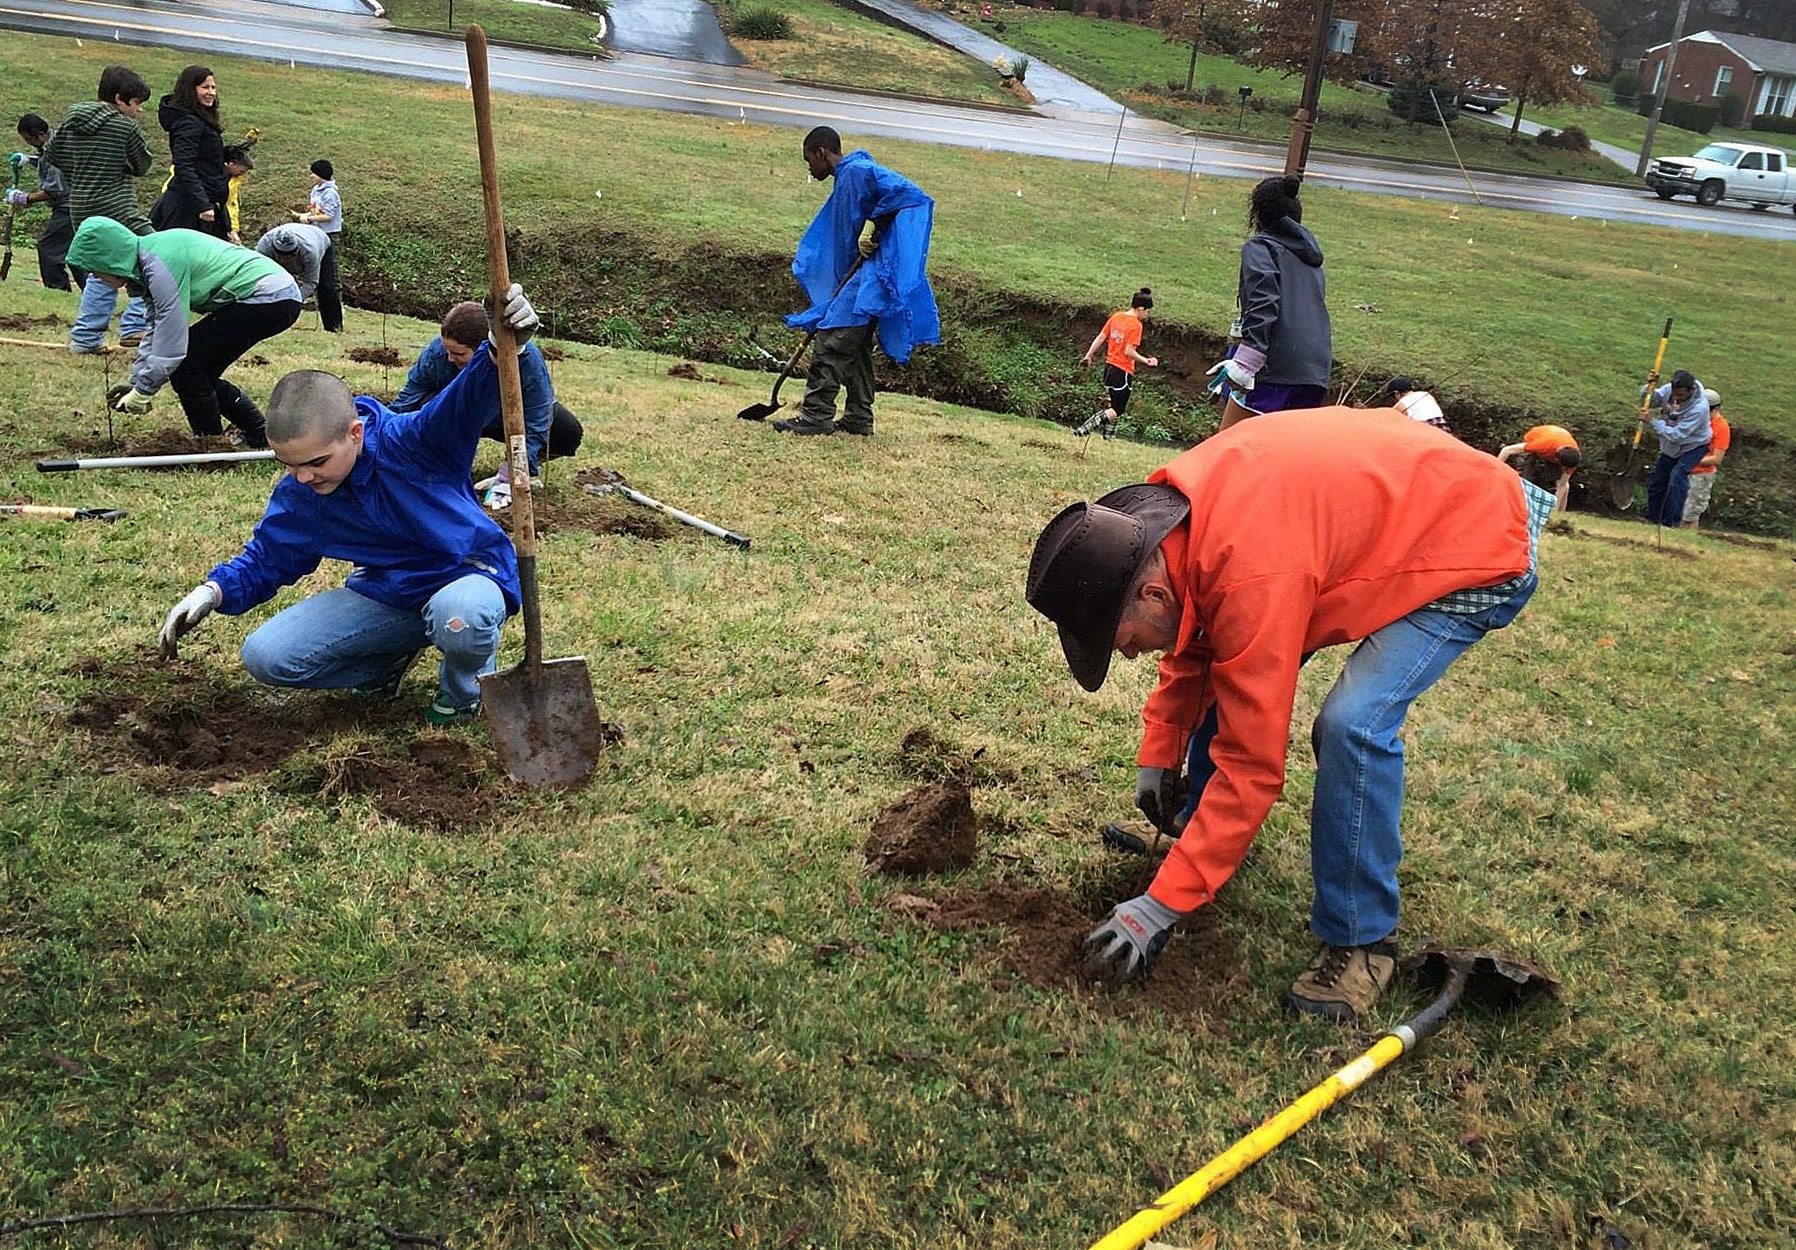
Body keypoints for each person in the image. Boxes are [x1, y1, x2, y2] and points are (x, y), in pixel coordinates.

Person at [1025, 409, 1555, 1020]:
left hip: (1475, 539)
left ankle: (1361, 940)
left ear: (1149, 594)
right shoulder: (1169, 530)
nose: (1126, 653)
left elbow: (1253, 763)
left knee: (1353, 725)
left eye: (1118, 638)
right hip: (1390, 510)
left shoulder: (1254, 573)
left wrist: (1160, 906)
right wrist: (1161, 747)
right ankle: (1199, 833)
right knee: (1237, 668)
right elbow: (1198, 635)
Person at [156, 286, 540, 726]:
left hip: (468, 577)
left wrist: (503, 346)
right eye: (290, 464)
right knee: (267, 656)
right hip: (389, 594)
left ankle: (463, 691)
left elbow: (466, 400)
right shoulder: (301, 494)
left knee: (462, 619)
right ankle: (385, 663)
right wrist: (212, 591)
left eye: (316, 461)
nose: (304, 477)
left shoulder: (416, 442)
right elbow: (268, 558)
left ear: (355, 434)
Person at [66, 218, 302, 447]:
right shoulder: (148, 260)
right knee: (199, 373)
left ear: (110, 258)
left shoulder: (160, 265)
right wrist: (137, 382)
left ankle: (210, 446)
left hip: (268, 297)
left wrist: (145, 390)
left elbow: (172, 336)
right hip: (276, 297)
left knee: (189, 367)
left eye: (95, 269)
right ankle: (257, 433)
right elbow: (157, 328)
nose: (95, 277)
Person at [769, 126, 939, 436]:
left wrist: (873, 226)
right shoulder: (847, 178)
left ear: (822, 153)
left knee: (831, 342)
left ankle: (815, 416)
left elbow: (908, 193)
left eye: (809, 160)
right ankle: (859, 418)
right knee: (856, 350)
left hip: (868, 281)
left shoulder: (858, 170)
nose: (809, 167)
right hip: (862, 282)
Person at [391, 300, 584, 501]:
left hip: (503, 417)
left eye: (458, 354)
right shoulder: (438, 353)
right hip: (458, 412)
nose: (448, 358)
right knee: (426, 405)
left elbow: (537, 420)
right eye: (446, 350)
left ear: (485, 348)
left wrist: (515, 470)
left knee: (567, 431)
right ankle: (438, 462)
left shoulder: (526, 362)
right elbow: (411, 396)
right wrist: (384, 433)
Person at [1205, 175, 1331, 432]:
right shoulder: (1311, 260)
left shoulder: (1260, 247)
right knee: (1285, 455)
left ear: (1258, 216)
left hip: (1275, 367)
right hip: (1315, 372)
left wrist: (1248, 360)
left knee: (1231, 445)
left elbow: (1263, 300)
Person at [44, 65, 154, 353]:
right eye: (136, 103)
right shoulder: (124, 127)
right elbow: (143, 165)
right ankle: (134, 325)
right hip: (118, 205)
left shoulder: (72, 120)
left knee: (103, 269)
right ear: (119, 99)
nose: (138, 110)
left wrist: (83, 168)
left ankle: (85, 338)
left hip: (81, 205)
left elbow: (53, 154)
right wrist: (119, 166)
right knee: (152, 255)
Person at [149, 65, 231, 239]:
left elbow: (204, 158)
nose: (211, 92)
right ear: (190, 90)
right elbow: (184, 165)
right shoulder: (189, 123)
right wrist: (202, 205)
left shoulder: (200, 119)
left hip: (205, 202)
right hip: (187, 209)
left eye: (213, 87)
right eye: (205, 87)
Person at [9, 114, 83, 291]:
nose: (28, 143)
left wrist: (24, 198)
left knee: (48, 247)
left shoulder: (55, 150)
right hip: (78, 205)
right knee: (76, 253)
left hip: (68, 207)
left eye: (28, 139)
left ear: (40, 135)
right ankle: (92, 292)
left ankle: (57, 289)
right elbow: (46, 162)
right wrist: (30, 159)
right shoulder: (54, 140)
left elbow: (54, 190)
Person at [1074, 287, 1158, 440]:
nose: (1147, 315)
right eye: (1147, 311)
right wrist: (1147, 360)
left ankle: (1108, 438)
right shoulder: (1136, 325)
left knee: (1115, 406)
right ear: (1140, 308)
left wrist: (1088, 355)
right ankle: (1085, 428)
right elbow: (1129, 352)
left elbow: (1101, 337)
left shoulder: (1116, 317)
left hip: (1109, 368)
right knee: (1118, 409)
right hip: (1122, 370)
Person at [1641, 369, 1712, 526]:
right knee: (1658, 480)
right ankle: (1652, 519)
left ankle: (1671, 523)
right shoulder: (1671, 389)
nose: (1676, 399)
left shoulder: (1699, 409)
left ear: (1691, 390)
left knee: (1677, 477)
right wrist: (1649, 387)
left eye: (1680, 396)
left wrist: (1652, 421)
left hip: (1693, 445)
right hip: (1671, 446)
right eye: (1675, 395)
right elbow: (1650, 401)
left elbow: (1677, 435)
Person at [255, 221, 343, 333]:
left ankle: (334, 327)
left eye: (290, 255)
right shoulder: (264, 246)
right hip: (285, 247)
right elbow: (259, 275)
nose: (285, 259)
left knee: (327, 287)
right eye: (282, 255)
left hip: (320, 239)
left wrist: (294, 301)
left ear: (296, 249)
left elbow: (311, 282)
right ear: (274, 248)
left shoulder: (310, 251)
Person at [1497, 423, 1580, 514]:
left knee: (1563, 482)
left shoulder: (1573, 459)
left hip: (1558, 443)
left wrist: (1554, 513)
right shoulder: (1542, 445)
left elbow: (1562, 485)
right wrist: (1495, 472)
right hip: (1538, 437)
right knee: (1524, 477)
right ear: (1556, 458)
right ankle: (1517, 505)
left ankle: (1561, 514)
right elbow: (1506, 450)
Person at [1682, 388, 1730, 531]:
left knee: (1690, 515)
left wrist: (1692, 460)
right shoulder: (1698, 421)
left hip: (1701, 475)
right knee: (1678, 510)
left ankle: (1687, 542)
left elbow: (1717, 458)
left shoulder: (1722, 428)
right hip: (1684, 471)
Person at [293, 158, 342, 239]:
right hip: (317, 230)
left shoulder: (330, 193)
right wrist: (301, 215)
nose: (311, 175)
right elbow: (316, 210)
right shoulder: (315, 189)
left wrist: (309, 219)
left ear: (321, 174)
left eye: (314, 173)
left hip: (329, 233)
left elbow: (328, 216)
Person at [1381, 375, 1448, 432]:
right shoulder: (1426, 394)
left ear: (1397, 393)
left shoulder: (1402, 404)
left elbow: (1392, 424)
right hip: (1443, 428)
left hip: (1424, 431)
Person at [220, 145, 253, 245]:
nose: (241, 174)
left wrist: (233, 228)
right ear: (230, 164)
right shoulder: (215, 178)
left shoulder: (234, 181)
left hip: (226, 222)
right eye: (241, 171)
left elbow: (232, 205)